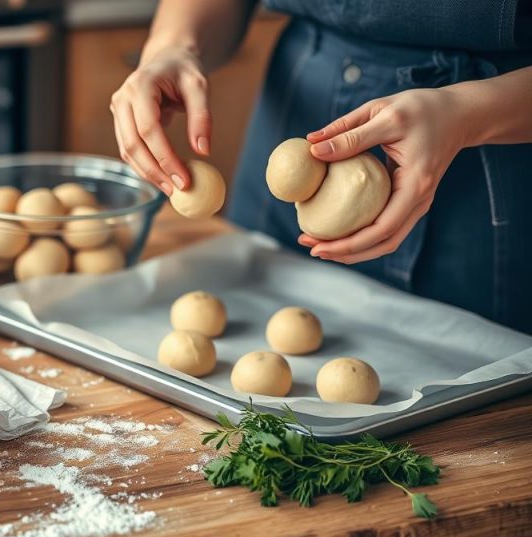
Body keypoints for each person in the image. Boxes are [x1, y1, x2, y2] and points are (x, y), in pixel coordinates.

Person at [110, 0, 532, 334]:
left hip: (488, 152)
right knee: (257, 325)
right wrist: (174, 46)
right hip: (298, 102)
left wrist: (465, 114)